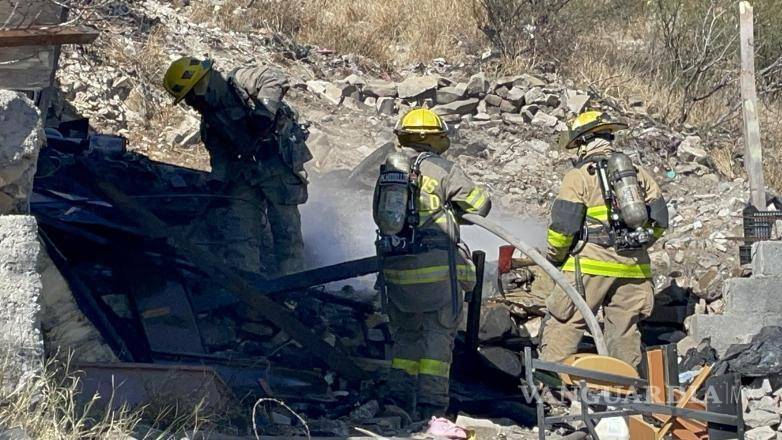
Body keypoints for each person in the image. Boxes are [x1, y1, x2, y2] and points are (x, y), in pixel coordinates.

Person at [373, 108, 491, 420]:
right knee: (437, 341)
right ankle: (431, 409)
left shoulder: (389, 172)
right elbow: (481, 205)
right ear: (438, 138)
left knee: (407, 339)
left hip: (397, 271)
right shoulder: (443, 169)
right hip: (437, 273)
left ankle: (398, 402)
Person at [538, 110, 668, 369]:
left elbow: (563, 229)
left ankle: (550, 389)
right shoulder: (638, 174)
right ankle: (625, 393)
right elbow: (660, 221)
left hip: (590, 267)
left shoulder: (578, 176)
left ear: (584, 142)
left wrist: (554, 258)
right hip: (634, 269)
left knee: (566, 320)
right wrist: (637, 245)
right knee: (624, 330)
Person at [162, 57, 311, 276]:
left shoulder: (239, 81)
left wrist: (264, 112)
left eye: (192, 96)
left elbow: (275, 78)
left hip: (276, 164)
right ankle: (247, 288)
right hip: (245, 173)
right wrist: (216, 183)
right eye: (187, 100)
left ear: (203, 84)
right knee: (240, 233)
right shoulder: (210, 125)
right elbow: (221, 160)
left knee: (286, 231)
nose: (192, 104)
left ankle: (295, 288)